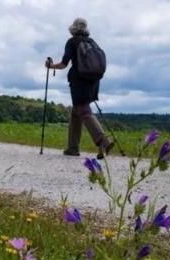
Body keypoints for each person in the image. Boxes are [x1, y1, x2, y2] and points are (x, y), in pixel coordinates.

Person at [45, 18, 113, 159]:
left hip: (79, 81)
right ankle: (73, 148)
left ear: (73, 28)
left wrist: (50, 66)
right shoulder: (92, 42)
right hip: (93, 81)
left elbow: (64, 64)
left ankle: (103, 142)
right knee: (76, 111)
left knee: (83, 110)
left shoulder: (72, 42)